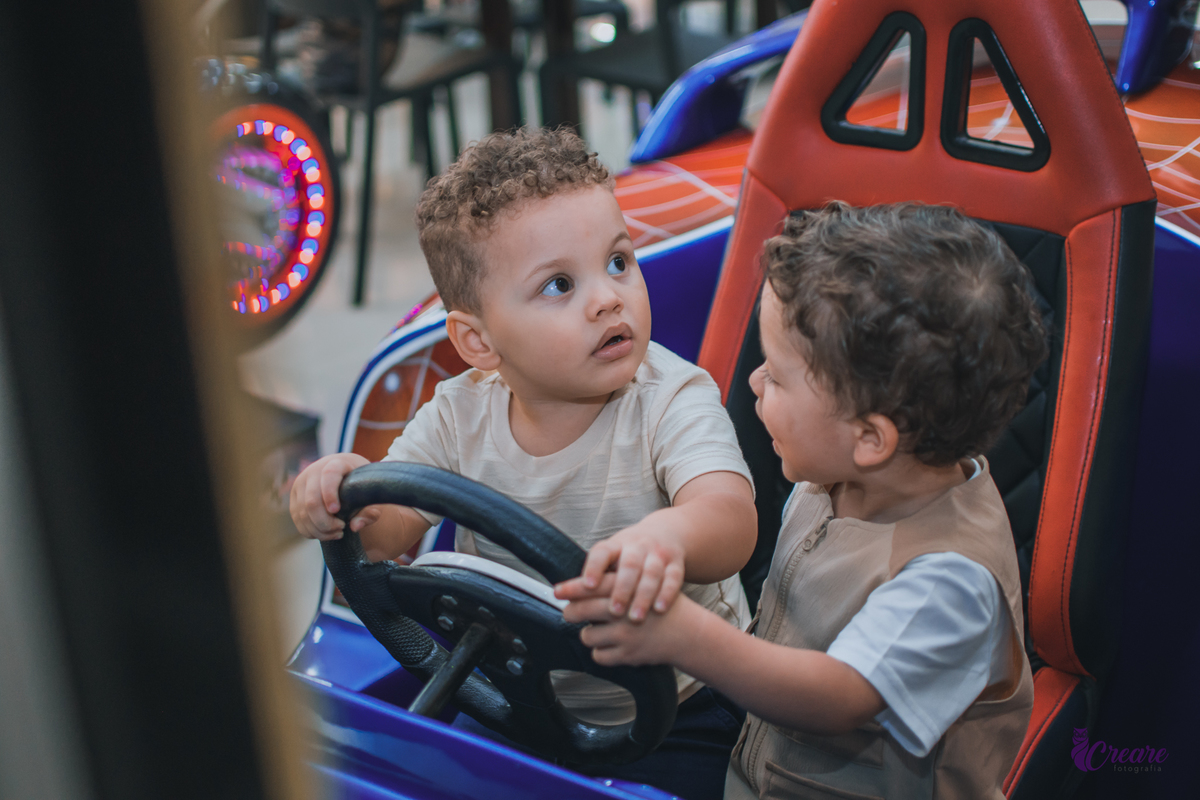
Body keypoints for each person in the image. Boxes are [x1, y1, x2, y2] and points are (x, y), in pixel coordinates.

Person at [289, 127, 757, 800]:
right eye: (560, 284)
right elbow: (388, 527)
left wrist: (669, 538)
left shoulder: (669, 399)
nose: (607, 298)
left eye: (620, 261)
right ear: (478, 340)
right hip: (513, 699)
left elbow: (731, 520)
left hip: (683, 709)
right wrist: (341, 496)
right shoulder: (458, 414)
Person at [557, 201, 1049, 799]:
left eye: (778, 375)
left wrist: (684, 635)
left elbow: (839, 694)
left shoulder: (949, 583)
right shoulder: (836, 475)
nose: (754, 381)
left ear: (870, 437)